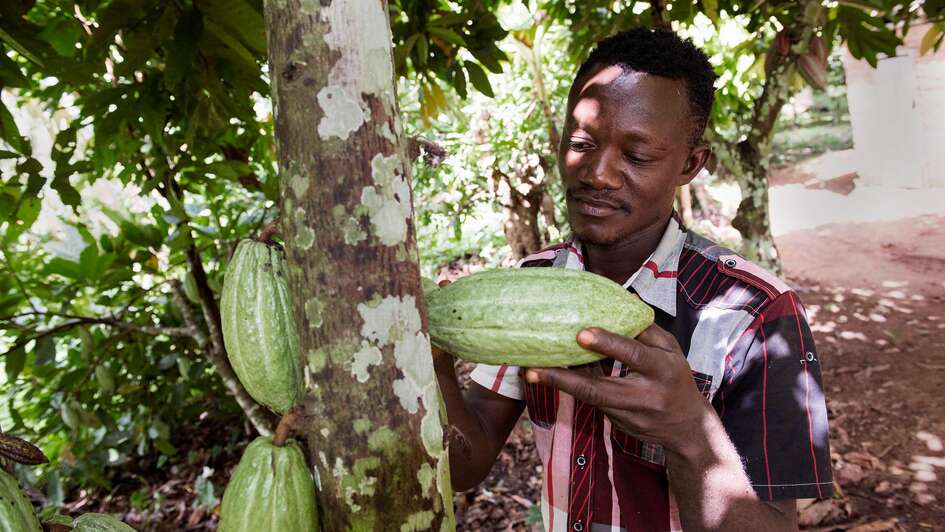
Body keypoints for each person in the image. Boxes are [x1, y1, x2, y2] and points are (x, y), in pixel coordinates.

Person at [432, 27, 832, 531]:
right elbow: (468, 463)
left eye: (637, 156)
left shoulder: (757, 315)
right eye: (581, 143)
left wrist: (689, 434)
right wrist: (438, 366)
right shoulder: (530, 285)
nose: (598, 174)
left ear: (690, 164)